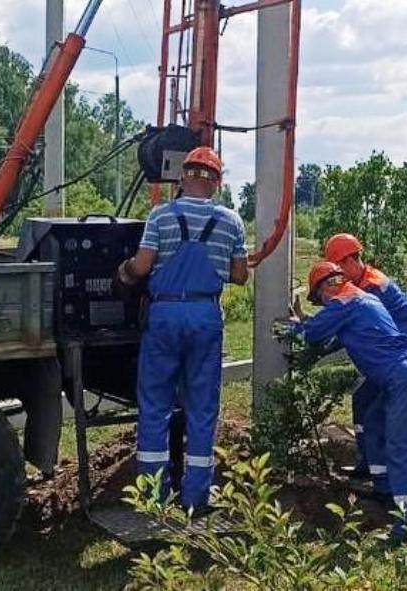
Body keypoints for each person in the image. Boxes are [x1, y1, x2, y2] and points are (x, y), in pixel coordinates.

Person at [117, 146, 249, 511]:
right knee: (203, 407)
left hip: (166, 314)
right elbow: (240, 275)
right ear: (217, 183)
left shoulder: (161, 216)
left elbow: (142, 267)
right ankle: (196, 497)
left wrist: (123, 273)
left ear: (182, 177)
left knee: (155, 405)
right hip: (205, 315)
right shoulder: (231, 221)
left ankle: (152, 496)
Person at [274, 261, 407, 538]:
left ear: (325, 287)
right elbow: (333, 337)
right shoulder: (360, 298)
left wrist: (288, 328)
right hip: (402, 373)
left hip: (400, 378)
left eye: (319, 299)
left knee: (399, 447)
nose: (322, 304)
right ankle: (384, 488)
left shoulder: (344, 301)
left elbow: (312, 334)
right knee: (373, 421)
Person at [324, 233, 407, 518]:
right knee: (366, 406)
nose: (336, 276)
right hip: (399, 355)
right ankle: (379, 479)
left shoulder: (371, 286)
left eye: (337, 268)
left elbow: (356, 324)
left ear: (350, 260)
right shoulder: (360, 284)